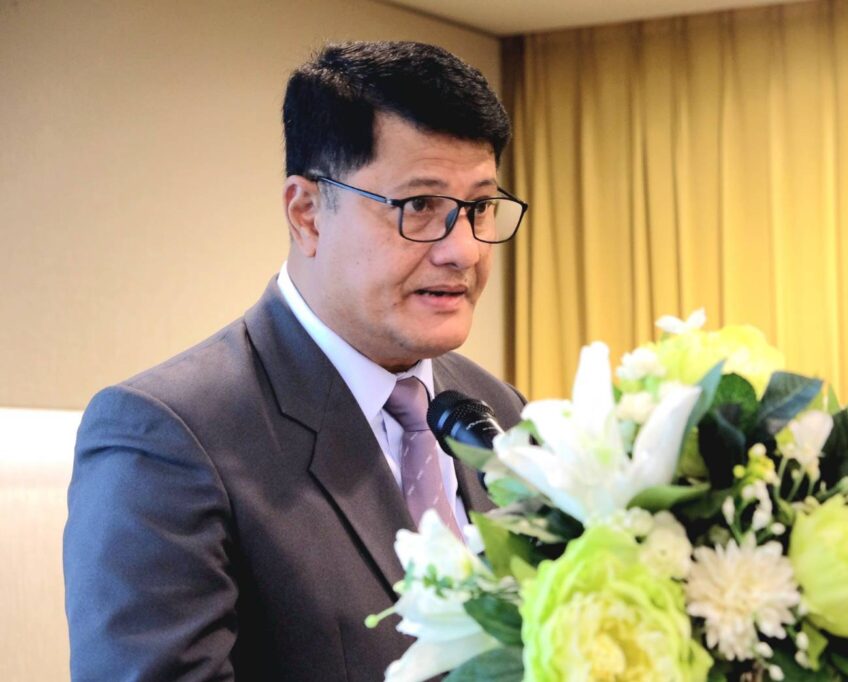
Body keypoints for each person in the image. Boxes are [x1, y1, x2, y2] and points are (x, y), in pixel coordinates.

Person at [63, 41, 528, 681]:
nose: (464, 250)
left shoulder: (500, 411)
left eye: (478, 208)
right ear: (306, 213)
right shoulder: (166, 438)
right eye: (420, 206)